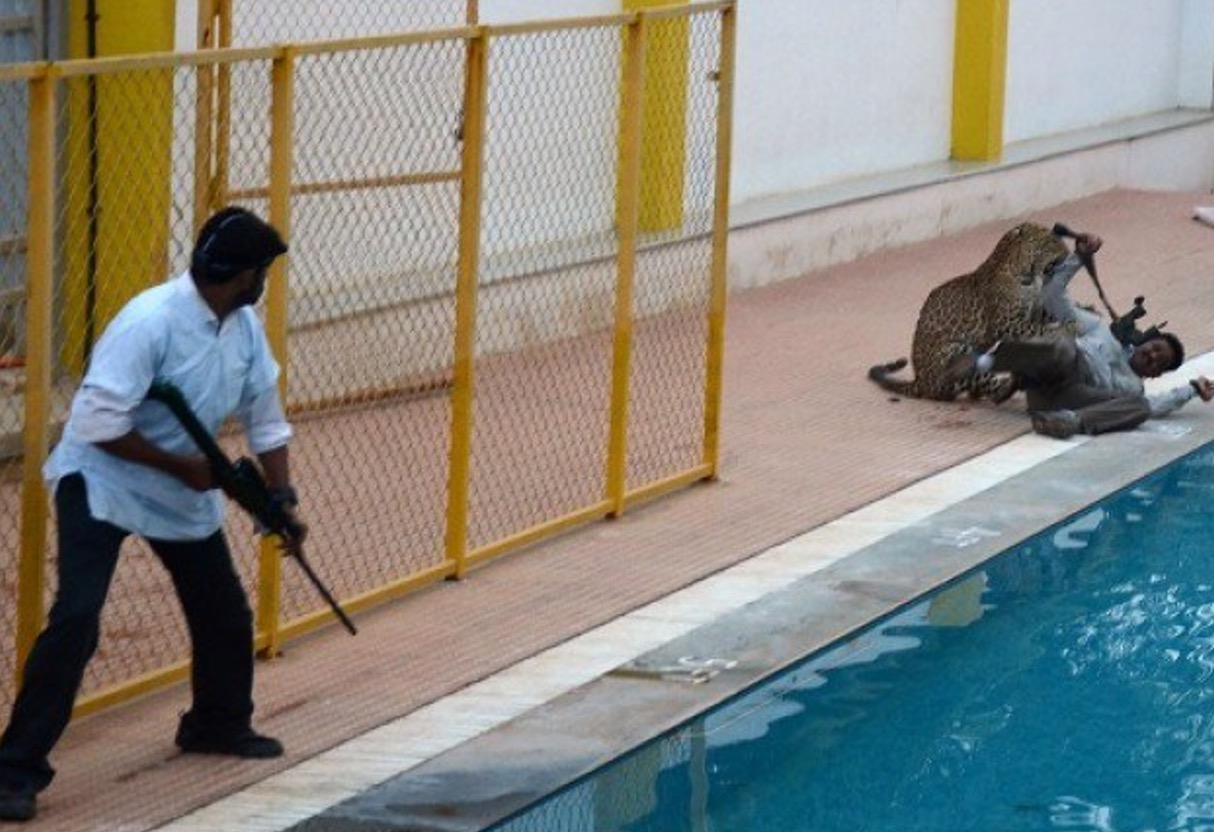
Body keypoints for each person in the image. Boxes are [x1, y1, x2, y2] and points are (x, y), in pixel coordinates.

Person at [0, 206, 305, 823]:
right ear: (244, 274)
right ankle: (13, 770)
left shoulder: (243, 327)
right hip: (102, 480)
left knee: (222, 610)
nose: (264, 281)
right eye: (262, 270)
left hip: (179, 485)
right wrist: (181, 468)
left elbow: (265, 419)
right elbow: (94, 424)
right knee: (77, 617)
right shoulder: (150, 322)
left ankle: (217, 723)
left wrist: (281, 498)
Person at [950, 230, 1214, 439]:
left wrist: (1191, 390)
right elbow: (1052, 296)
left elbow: (1157, 406)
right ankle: (982, 364)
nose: (1153, 355)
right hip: (1055, 369)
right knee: (1063, 345)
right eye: (1156, 347)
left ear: (1156, 374)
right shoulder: (1100, 330)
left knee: (1141, 407)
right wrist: (1079, 257)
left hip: (1062, 402)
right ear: (1146, 340)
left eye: (1160, 361)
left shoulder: (1134, 387)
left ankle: (1069, 424)